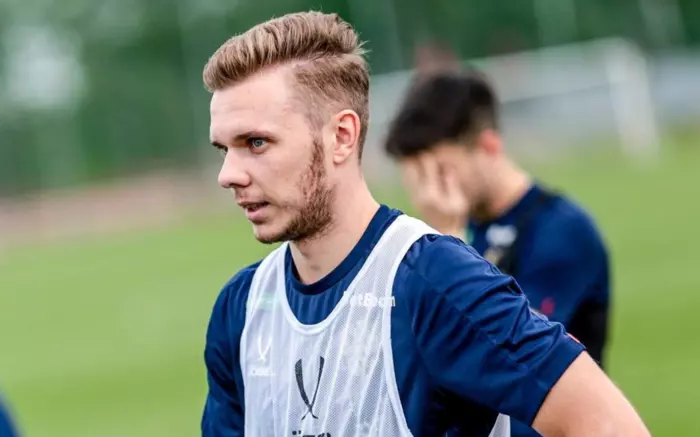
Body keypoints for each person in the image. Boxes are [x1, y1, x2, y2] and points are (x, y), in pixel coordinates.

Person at [200, 11, 648, 437]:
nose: (228, 175)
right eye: (224, 149)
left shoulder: (437, 282)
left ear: (341, 136)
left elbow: (609, 424)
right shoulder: (241, 308)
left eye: (256, 143)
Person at [384, 68, 612, 437]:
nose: (426, 196)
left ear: (488, 147)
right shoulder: (464, 226)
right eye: (417, 178)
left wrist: (448, 247)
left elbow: (516, 365)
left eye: (439, 172)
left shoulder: (560, 232)